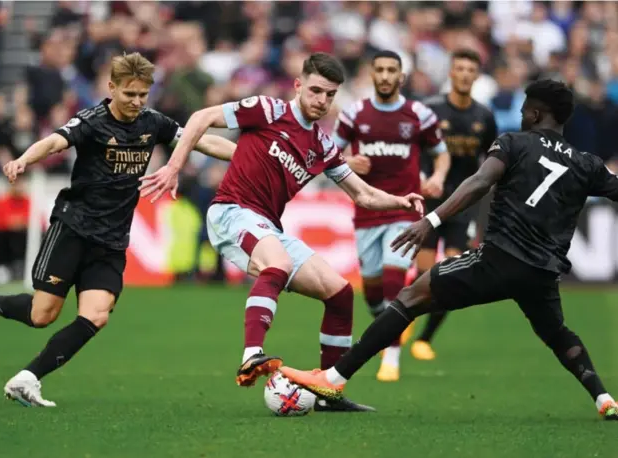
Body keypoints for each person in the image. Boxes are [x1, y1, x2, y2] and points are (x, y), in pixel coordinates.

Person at [279, 79, 618, 421]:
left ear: (534, 112)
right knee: (557, 334)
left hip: (499, 258)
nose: (519, 114)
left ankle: (333, 379)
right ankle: (604, 398)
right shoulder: (586, 163)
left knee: (410, 296)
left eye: (523, 109)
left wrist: (432, 221)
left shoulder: (514, 143)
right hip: (543, 271)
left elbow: (479, 182)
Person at [139, 52, 424, 412]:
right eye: (316, 91)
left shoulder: (322, 146)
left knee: (339, 293)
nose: (322, 101)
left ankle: (328, 391)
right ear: (299, 85)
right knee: (278, 262)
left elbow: (363, 194)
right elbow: (202, 117)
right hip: (232, 210)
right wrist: (174, 166)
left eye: (330, 95)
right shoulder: (268, 110)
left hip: (267, 224)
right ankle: (252, 354)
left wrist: (401, 201)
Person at [0, 52, 237, 407]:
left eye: (142, 95)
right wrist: (25, 159)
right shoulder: (92, 121)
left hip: (112, 238)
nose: (136, 102)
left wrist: (243, 156)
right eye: (129, 94)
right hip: (74, 227)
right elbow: (56, 140)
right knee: (42, 316)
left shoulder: (153, 122)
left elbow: (200, 140)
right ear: (112, 88)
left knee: (96, 315)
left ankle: (27, 379)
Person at [332, 50, 449, 382]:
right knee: (372, 291)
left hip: (404, 209)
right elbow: (329, 154)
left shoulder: (419, 115)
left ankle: (392, 357)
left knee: (394, 278)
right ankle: (388, 327)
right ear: (372, 74)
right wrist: (349, 163)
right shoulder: (354, 114)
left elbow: (441, 155)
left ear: (402, 76)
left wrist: (437, 178)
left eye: (391, 70)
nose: (385, 75)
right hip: (367, 210)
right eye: (379, 70)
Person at [411, 49, 497, 361]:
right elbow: (413, 148)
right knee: (423, 272)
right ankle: (405, 314)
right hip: (432, 199)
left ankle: (425, 339)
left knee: (449, 274)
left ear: (476, 76)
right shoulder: (430, 109)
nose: (463, 74)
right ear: (450, 72)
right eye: (458, 68)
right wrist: (421, 175)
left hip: (464, 205)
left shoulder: (484, 117)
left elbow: (492, 159)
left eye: (469, 69)